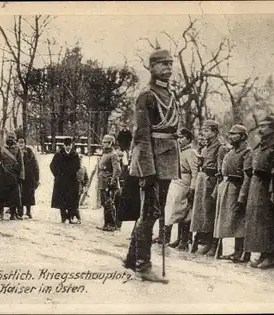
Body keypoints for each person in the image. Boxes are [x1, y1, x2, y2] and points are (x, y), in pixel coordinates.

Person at [123, 46, 180, 283]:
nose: (167, 68)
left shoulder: (170, 95)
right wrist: (148, 170)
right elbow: (142, 137)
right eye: (162, 64)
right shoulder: (146, 96)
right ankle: (143, 266)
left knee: (153, 212)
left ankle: (131, 258)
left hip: (166, 160)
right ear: (151, 67)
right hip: (152, 163)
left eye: (169, 64)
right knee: (149, 213)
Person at [243, 116, 274, 269]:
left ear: (272, 128)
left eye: (264, 126)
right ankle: (260, 254)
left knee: (266, 220)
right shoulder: (259, 145)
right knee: (256, 221)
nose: (260, 129)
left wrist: (272, 188)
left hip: (266, 185)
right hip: (255, 184)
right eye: (259, 126)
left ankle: (269, 255)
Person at [189, 120, 229, 256]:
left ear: (215, 132)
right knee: (203, 213)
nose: (203, 133)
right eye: (203, 130)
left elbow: (222, 168)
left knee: (212, 212)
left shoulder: (220, 147)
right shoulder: (207, 146)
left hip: (212, 180)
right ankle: (203, 241)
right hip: (204, 179)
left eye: (207, 131)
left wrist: (217, 185)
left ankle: (214, 245)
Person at [213, 125, 252, 261]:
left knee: (238, 220)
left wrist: (242, 197)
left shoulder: (247, 153)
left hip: (237, 188)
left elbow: (247, 177)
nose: (230, 137)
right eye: (229, 134)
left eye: (234, 134)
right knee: (226, 220)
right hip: (226, 186)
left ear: (242, 136)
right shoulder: (230, 152)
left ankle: (240, 252)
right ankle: (230, 251)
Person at [164, 128, 199, 251]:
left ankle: (184, 240)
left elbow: (195, 172)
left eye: (182, 137)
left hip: (185, 182)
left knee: (183, 211)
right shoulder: (179, 151)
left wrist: (192, 188)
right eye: (178, 137)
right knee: (174, 210)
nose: (179, 140)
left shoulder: (191, 152)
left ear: (188, 139)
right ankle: (178, 239)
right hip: (176, 181)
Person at [0, 131, 25, 220]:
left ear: (14, 139)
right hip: (3, 175)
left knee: (14, 197)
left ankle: (13, 214)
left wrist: (21, 176)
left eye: (12, 138)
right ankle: (1, 213)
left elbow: (21, 164)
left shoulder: (17, 150)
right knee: (1, 196)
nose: (10, 139)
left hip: (14, 176)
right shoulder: (1, 149)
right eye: (9, 137)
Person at [50, 137, 81, 223]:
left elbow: (78, 166)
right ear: (63, 145)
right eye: (66, 145)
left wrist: (75, 174)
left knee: (71, 199)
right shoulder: (58, 154)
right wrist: (57, 175)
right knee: (62, 199)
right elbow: (52, 166)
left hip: (72, 180)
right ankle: (63, 217)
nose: (68, 147)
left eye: (69, 145)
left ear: (72, 145)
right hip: (61, 180)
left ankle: (71, 217)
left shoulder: (75, 155)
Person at [98, 135, 121, 231]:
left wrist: (112, 181)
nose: (103, 144)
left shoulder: (113, 154)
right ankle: (106, 224)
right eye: (103, 142)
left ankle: (111, 224)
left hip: (108, 182)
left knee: (109, 203)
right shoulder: (105, 153)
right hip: (103, 182)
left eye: (105, 142)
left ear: (110, 143)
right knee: (104, 202)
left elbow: (117, 170)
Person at [17, 135, 40, 219]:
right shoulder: (15, 151)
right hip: (19, 176)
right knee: (20, 194)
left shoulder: (29, 152)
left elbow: (35, 165)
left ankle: (28, 212)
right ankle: (20, 212)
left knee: (28, 194)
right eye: (19, 142)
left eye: (22, 142)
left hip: (29, 176)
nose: (21, 144)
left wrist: (37, 177)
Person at [75, 155, 90, 223]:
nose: (79, 161)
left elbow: (86, 179)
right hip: (71, 188)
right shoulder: (72, 167)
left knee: (76, 203)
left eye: (80, 160)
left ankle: (78, 218)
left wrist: (85, 187)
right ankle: (72, 217)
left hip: (79, 188)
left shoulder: (84, 168)